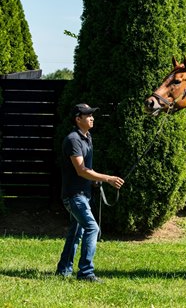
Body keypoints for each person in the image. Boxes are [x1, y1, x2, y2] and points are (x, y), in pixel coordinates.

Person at [56, 103, 124, 282]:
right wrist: (107, 178)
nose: (92, 118)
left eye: (92, 114)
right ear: (78, 119)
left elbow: (87, 171)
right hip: (73, 195)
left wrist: (94, 180)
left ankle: (63, 270)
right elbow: (81, 170)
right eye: (88, 115)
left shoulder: (87, 137)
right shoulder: (73, 140)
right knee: (92, 228)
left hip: (83, 194)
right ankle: (86, 273)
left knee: (76, 232)